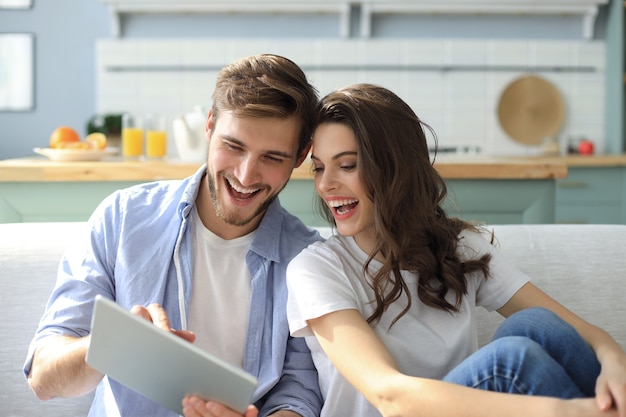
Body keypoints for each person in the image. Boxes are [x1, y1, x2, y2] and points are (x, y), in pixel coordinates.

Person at [285, 83, 626, 417]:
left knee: (535, 323)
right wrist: (571, 410)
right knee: (510, 360)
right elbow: (390, 396)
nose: (325, 184)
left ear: (394, 167)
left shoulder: (458, 247)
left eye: (346, 165)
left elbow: (581, 331)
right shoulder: (316, 269)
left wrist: (613, 362)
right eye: (318, 167)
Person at [24, 54, 324, 417]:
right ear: (210, 126)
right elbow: (43, 377)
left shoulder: (308, 258)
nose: (246, 176)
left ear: (301, 155)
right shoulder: (123, 218)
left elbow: (299, 392)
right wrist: (113, 344)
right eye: (234, 146)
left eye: (272, 158)